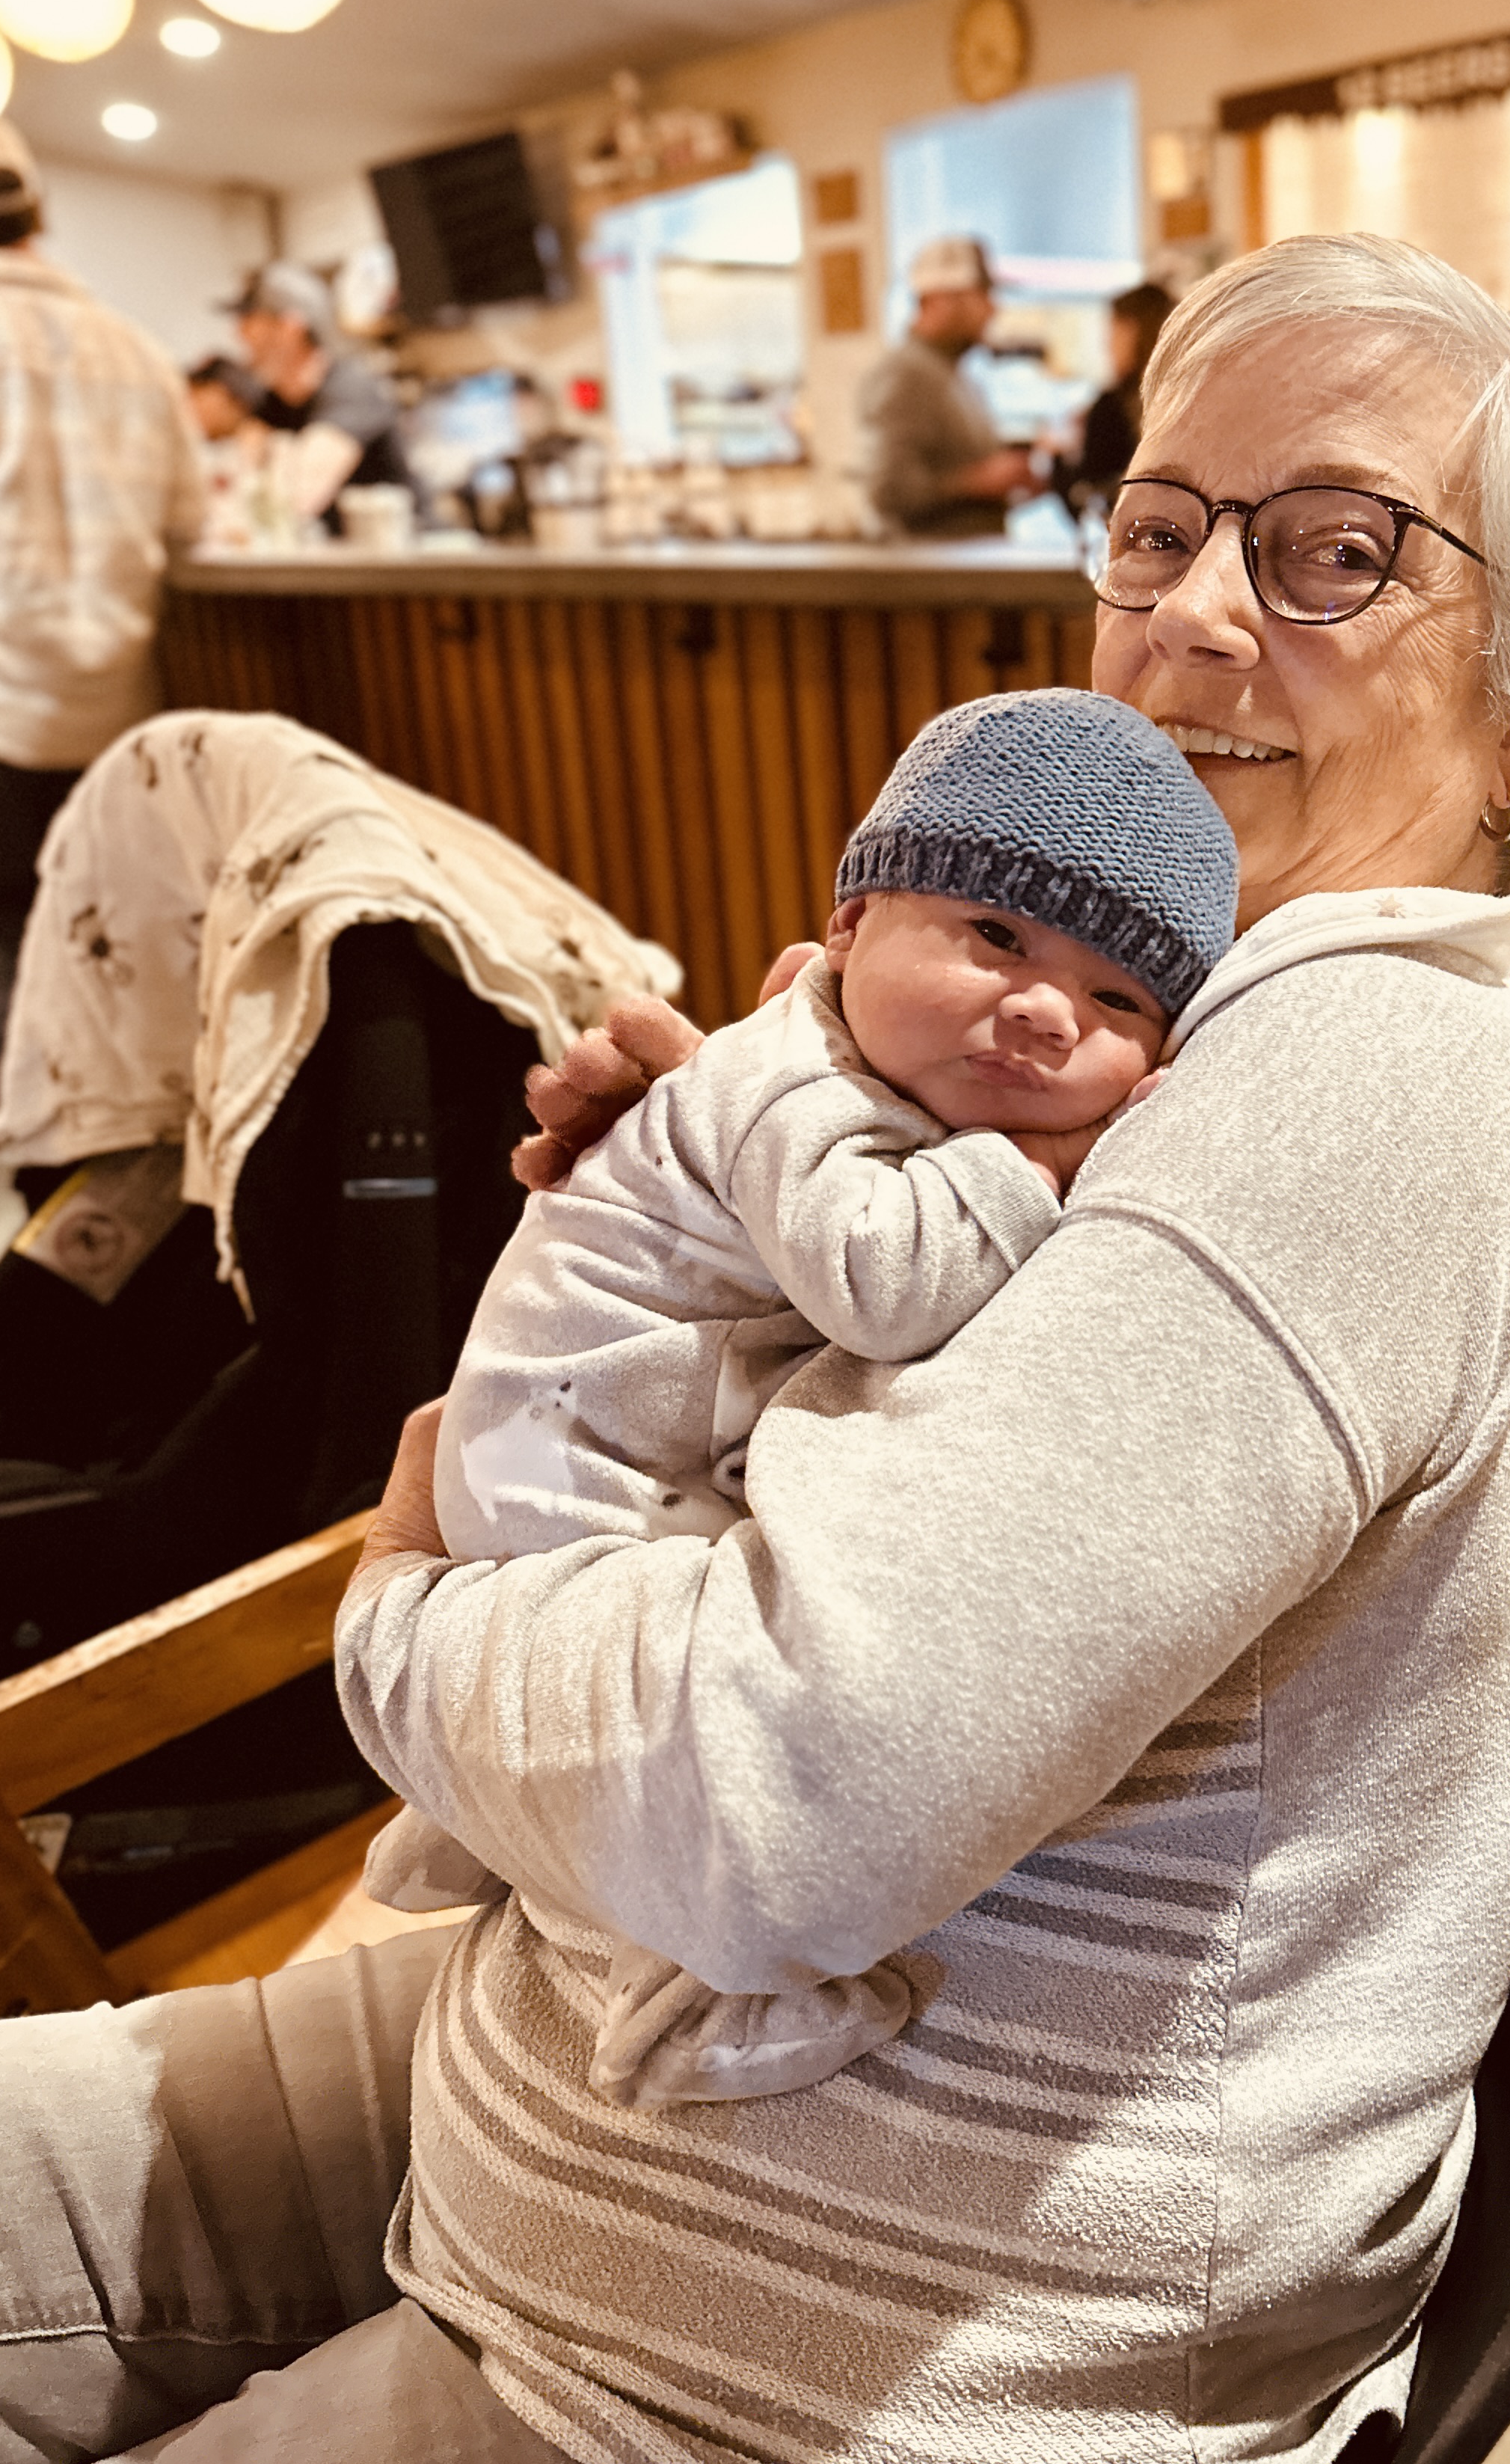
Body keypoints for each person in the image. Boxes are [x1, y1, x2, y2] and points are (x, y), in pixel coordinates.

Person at [0, 231, 1510, 2464]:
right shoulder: (1136, 1038)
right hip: (588, 2105)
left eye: (1331, 552)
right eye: (1158, 521)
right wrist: (706, 1238)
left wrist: (414, 1600)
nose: (1196, 613)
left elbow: (766, 1805)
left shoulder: (1365, 1075)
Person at [368, 687, 1239, 2111]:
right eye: (995, 935)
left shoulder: (859, 1067)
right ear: (844, 933)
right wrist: (1037, 1173)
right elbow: (881, 1282)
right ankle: (674, 1989)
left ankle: (480, 1826)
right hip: (581, 1448)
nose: (1037, 1010)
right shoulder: (793, 1078)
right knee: (671, 1710)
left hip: (607, 1422)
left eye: (1113, 1000)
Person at [0, 119, 201, 1118]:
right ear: (40, 217)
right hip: (116, 716)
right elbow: (191, 527)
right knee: (111, 958)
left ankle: (7, 1158)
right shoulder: (136, 349)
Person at [856, 233, 1041, 536]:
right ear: (940, 299)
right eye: (982, 295)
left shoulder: (958, 374)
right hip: (928, 579)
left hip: (969, 572)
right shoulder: (905, 374)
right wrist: (978, 481)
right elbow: (888, 491)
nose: (993, 310)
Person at [227, 259, 412, 535]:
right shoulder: (270, 402)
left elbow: (298, 498)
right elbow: (235, 482)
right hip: (341, 564)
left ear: (291, 327)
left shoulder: (352, 389)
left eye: (250, 320)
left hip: (407, 563)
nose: (239, 334)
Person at [1069, 277, 1176, 512]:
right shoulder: (1184, 393)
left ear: (1132, 331)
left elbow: (1086, 499)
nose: (1107, 345)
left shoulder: (1111, 407)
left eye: (1113, 331)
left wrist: (1062, 457)